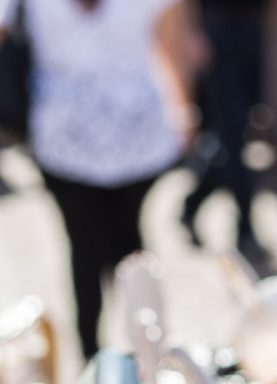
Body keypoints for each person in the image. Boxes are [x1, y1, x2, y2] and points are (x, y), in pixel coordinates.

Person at [0, 0, 198, 361]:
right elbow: (172, 41)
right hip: (117, 133)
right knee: (126, 246)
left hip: (74, 133)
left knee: (88, 250)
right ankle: (141, 356)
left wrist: (182, 106)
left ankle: (98, 359)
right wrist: (183, 108)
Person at [181, 0, 277, 255]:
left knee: (234, 136)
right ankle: (245, 227)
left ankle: (193, 202)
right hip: (216, 34)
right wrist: (192, 33)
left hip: (253, 34)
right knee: (232, 136)